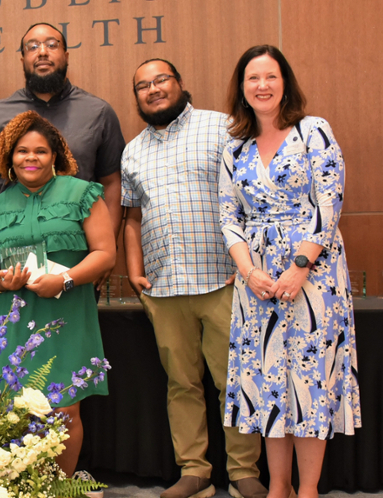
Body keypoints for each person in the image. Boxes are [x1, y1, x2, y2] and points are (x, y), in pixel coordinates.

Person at [219, 45, 360, 498]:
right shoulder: (233, 147)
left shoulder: (312, 131)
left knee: (309, 380)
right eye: (252, 78)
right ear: (241, 89)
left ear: (285, 83)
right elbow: (228, 217)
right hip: (255, 282)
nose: (262, 85)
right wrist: (248, 271)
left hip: (313, 276)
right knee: (268, 384)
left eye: (270, 77)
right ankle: (278, 487)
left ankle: (308, 490)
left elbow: (329, 202)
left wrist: (300, 266)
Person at [121, 58, 266, 498]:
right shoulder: (133, 150)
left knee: (235, 380)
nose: (153, 89)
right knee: (181, 384)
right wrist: (133, 268)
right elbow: (132, 217)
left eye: (160, 79)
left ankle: (244, 473)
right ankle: (194, 470)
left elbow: (253, 196)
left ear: (180, 84)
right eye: (142, 85)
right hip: (164, 287)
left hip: (225, 280)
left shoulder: (222, 127)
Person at [0, 111, 115, 478]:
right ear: (9, 158)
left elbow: (105, 254)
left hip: (68, 311)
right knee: (17, 408)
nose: (31, 158)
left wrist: (65, 280)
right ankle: (27, 486)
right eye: (22, 151)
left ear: (55, 156)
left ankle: (61, 487)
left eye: (40, 151)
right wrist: (1, 283)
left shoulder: (82, 193)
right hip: (16, 317)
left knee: (64, 409)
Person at [0, 22, 125, 290]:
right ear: (22, 59)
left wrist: (103, 253)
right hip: (11, 262)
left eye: (52, 45)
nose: (42, 52)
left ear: (66, 55)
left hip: (78, 262)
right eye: (32, 47)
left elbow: (111, 183)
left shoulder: (98, 112)